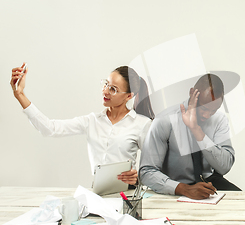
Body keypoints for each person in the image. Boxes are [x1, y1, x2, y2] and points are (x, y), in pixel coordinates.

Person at [10, 63, 154, 185]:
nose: (105, 91)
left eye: (113, 89)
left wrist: (137, 178)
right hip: (98, 195)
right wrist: (20, 95)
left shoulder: (142, 124)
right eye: (106, 84)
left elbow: (154, 168)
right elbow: (50, 128)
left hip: (128, 196)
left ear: (129, 96)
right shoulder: (92, 121)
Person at [140, 73, 240, 199]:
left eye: (213, 110)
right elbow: (146, 172)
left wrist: (196, 129)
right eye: (203, 108)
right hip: (175, 184)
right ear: (192, 92)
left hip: (209, 181)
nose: (207, 115)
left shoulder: (219, 120)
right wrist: (185, 189)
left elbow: (224, 167)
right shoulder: (164, 120)